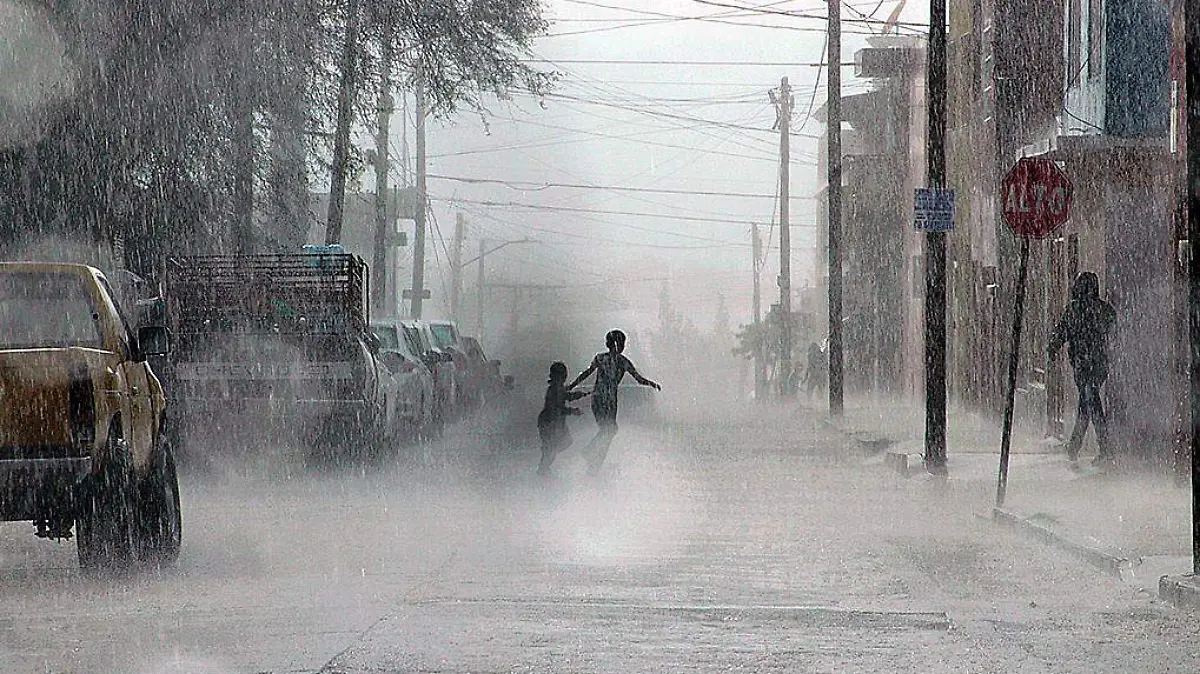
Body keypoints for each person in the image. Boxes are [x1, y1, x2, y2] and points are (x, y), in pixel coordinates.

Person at [567, 329, 661, 475]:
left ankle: (594, 461)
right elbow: (639, 379)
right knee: (609, 430)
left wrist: (572, 386)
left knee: (607, 430)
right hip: (609, 400)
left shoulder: (600, 358)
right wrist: (651, 384)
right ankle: (592, 456)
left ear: (607, 343)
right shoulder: (623, 362)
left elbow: (586, 374)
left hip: (598, 398)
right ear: (621, 344)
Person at [1048, 271, 1117, 466]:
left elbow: (1061, 332)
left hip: (1082, 365)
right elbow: (1115, 334)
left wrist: (1052, 348)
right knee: (1088, 404)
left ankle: (1097, 449)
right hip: (1098, 365)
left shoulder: (1074, 309)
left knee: (1090, 404)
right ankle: (1079, 448)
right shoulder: (1104, 309)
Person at [537, 362, 589, 477]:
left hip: (552, 422)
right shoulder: (554, 389)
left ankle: (544, 467)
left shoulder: (557, 388)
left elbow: (566, 396)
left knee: (559, 444)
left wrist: (578, 395)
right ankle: (543, 470)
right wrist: (572, 411)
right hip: (548, 422)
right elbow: (556, 407)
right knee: (553, 447)